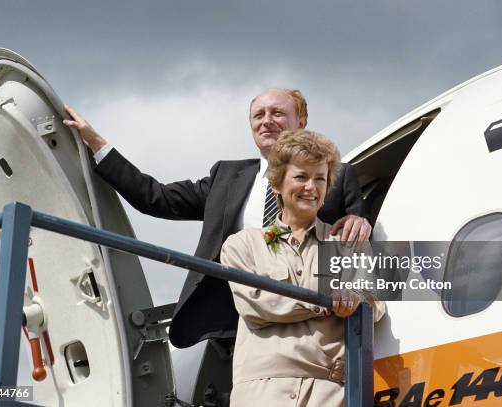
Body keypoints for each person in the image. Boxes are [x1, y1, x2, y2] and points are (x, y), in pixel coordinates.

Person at [63, 88, 372, 348]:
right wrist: (97, 144)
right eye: (258, 115)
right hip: (233, 322)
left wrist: (361, 223)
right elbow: (155, 198)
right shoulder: (226, 176)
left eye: (277, 113)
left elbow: (357, 241)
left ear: (301, 121)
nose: (267, 121)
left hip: (307, 323)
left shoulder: (336, 175)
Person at [220, 129, 384, 406]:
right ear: (277, 185)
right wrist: (325, 299)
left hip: (330, 393)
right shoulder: (242, 245)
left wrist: (356, 298)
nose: (311, 187)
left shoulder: (347, 244)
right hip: (261, 393)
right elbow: (256, 304)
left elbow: (376, 302)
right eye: (301, 177)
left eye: (320, 178)